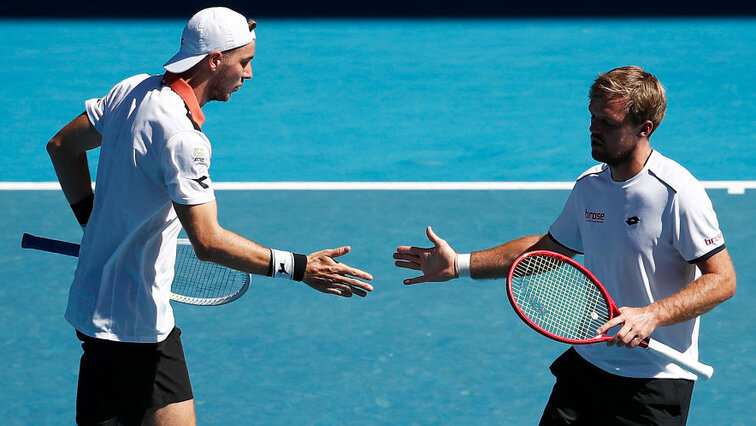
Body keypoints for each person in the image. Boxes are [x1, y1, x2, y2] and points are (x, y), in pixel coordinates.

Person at [46, 7, 373, 425]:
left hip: (91, 312)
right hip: (138, 325)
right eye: (244, 62)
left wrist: (90, 220)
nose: (249, 75)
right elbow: (208, 241)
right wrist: (301, 267)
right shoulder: (185, 140)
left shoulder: (130, 90)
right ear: (214, 59)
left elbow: (62, 147)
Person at [394, 66, 736, 425]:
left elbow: (723, 280)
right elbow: (549, 250)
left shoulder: (677, 194)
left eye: (607, 122)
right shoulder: (590, 187)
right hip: (588, 366)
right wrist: (460, 264)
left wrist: (652, 314)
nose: (593, 129)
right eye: (592, 117)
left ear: (643, 128)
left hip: (654, 383)